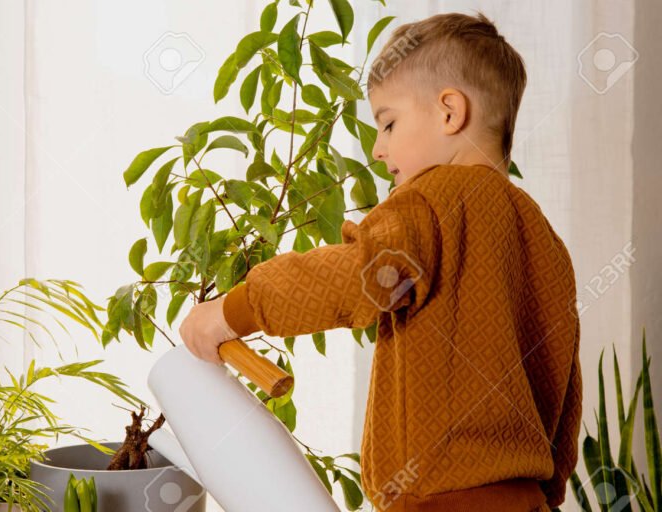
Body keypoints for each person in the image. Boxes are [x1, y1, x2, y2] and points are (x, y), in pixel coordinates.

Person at [179, 11, 581, 512]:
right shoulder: (547, 244)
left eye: (388, 123)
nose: (377, 147)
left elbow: (363, 276)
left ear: (450, 112)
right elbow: (563, 396)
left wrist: (232, 310)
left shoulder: (431, 199)